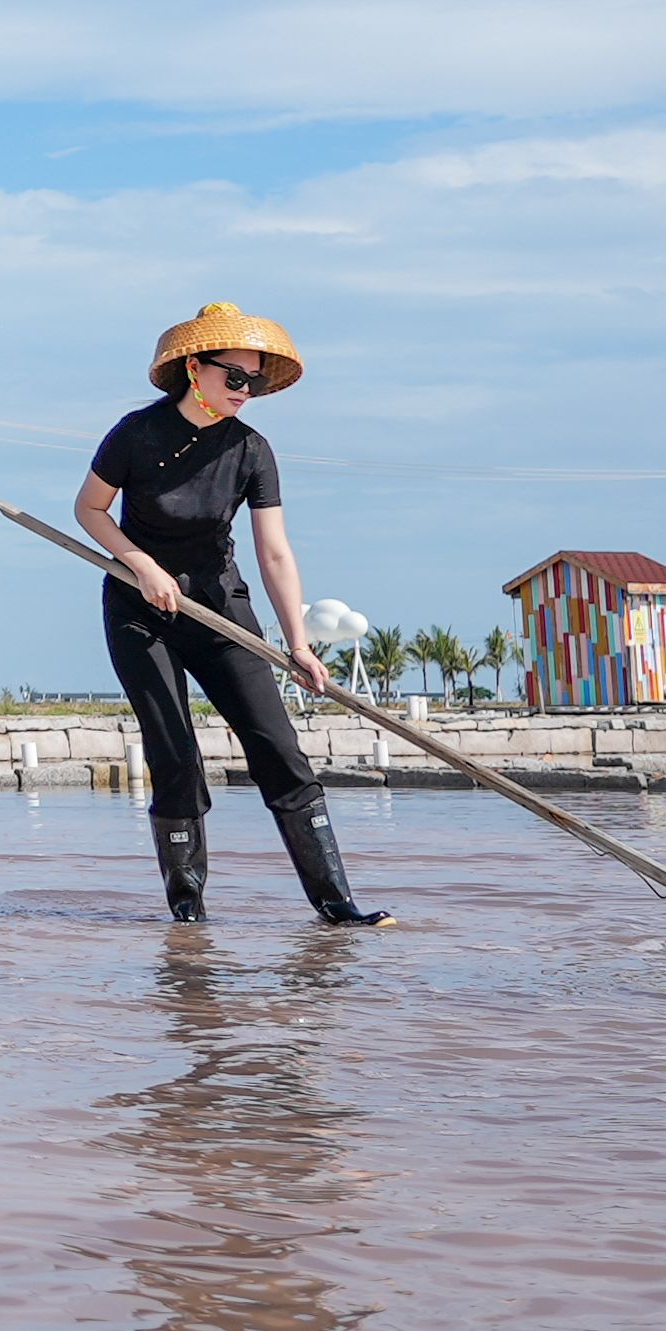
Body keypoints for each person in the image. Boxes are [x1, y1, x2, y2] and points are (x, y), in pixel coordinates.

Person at [72, 302, 388, 928]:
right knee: (175, 754)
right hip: (141, 612)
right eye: (235, 378)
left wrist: (298, 644)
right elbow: (89, 510)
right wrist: (142, 565)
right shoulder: (135, 434)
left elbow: (274, 551)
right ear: (196, 368)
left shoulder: (252, 450)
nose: (247, 392)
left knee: (279, 748)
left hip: (220, 610)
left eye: (257, 383)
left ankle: (336, 905)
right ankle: (187, 913)